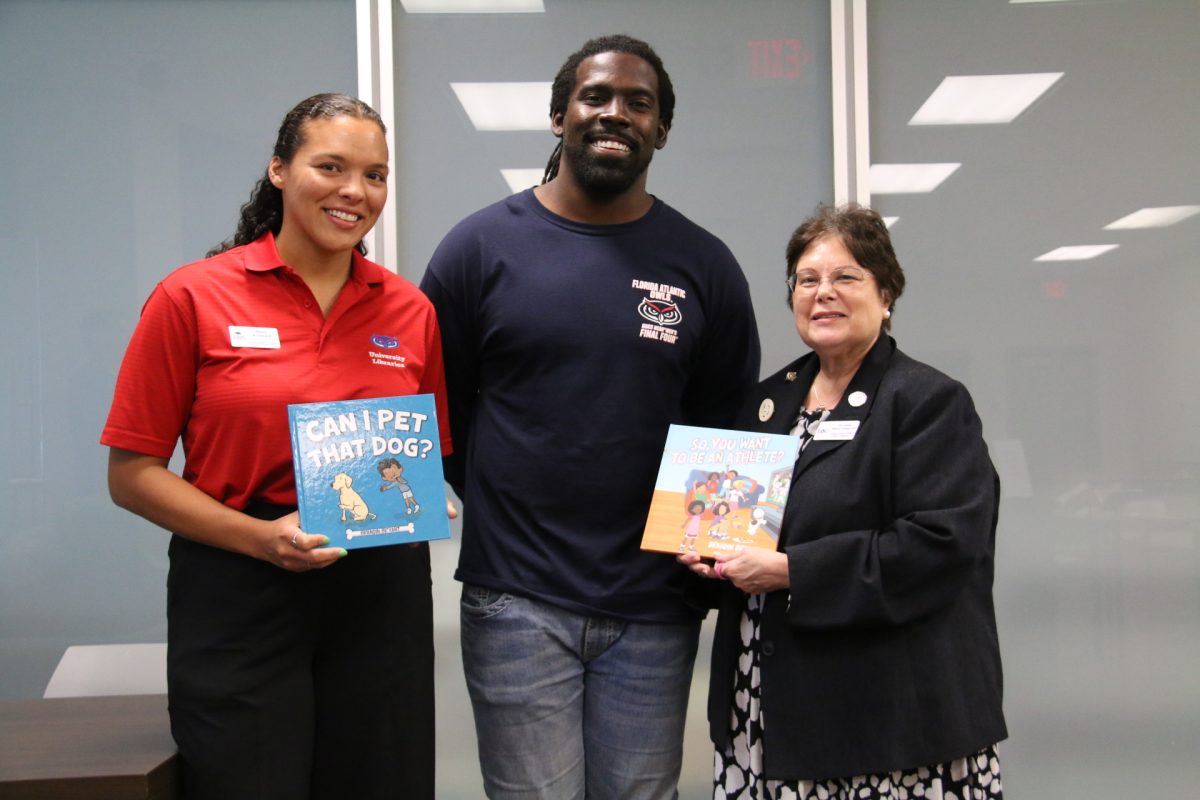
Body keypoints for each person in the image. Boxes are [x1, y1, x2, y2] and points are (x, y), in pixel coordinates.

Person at [420, 34, 760, 800]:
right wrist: (507, 503)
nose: (616, 113)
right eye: (596, 96)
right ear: (557, 116)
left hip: (653, 606)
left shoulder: (702, 266)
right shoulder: (479, 248)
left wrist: (700, 572)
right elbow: (439, 410)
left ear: (662, 129)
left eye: (639, 102)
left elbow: (726, 429)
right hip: (516, 599)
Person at [101, 93, 452, 800]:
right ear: (280, 171)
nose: (355, 192)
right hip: (240, 584)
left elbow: (429, 455)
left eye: (375, 175)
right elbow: (132, 474)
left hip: (377, 591)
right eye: (331, 166)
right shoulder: (193, 297)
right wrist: (261, 540)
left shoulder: (410, 311)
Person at [681, 204, 1006, 799]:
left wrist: (790, 571)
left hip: (888, 725)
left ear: (885, 295)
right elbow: (727, 528)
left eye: (846, 277)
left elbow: (942, 545)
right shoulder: (765, 404)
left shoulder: (928, 401)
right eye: (808, 280)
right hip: (766, 713)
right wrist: (706, 557)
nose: (823, 293)